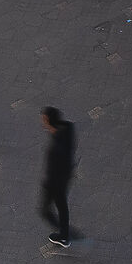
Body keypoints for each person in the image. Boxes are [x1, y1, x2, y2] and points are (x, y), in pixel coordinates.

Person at [40, 106, 77, 247]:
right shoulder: (68, 128)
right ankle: (65, 234)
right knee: (62, 206)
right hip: (66, 176)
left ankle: (64, 234)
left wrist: (47, 185)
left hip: (55, 182)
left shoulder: (55, 149)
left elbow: (52, 171)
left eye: (44, 119)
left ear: (48, 121)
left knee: (45, 211)